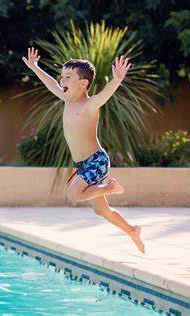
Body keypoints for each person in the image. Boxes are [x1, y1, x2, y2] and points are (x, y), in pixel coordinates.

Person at [22, 47, 145, 253]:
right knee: (102, 211)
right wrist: (35, 67)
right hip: (82, 165)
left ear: (83, 83)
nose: (62, 81)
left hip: (96, 160)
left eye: (67, 77)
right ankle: (132, 231)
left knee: (74, 193)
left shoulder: (89, 105)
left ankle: (111, 188)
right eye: (62, 76)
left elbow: (105, 95)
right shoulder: (66, 100)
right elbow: (50, 83)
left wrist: (116, 80)